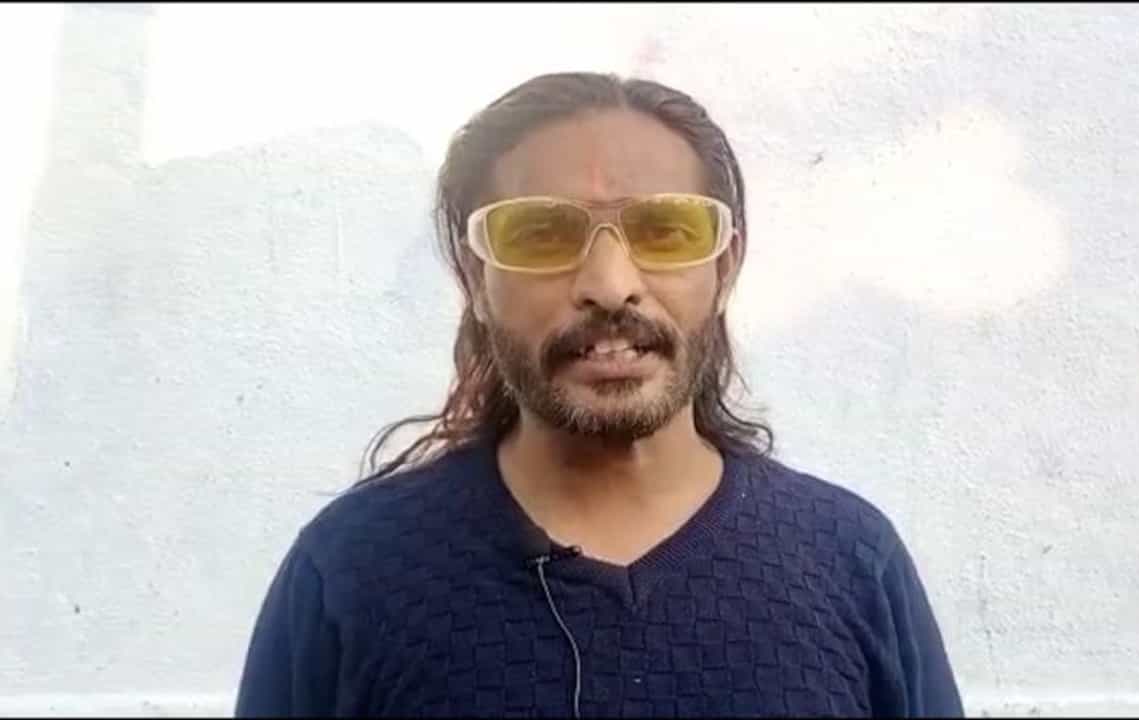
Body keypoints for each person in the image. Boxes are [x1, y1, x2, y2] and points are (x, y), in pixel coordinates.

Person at [234, 71, 964, 718]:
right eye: (541, 234)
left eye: (667, 230)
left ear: (726, 267)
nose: (611, 285)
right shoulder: (352, 572)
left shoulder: (849, 562)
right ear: (475, 279)